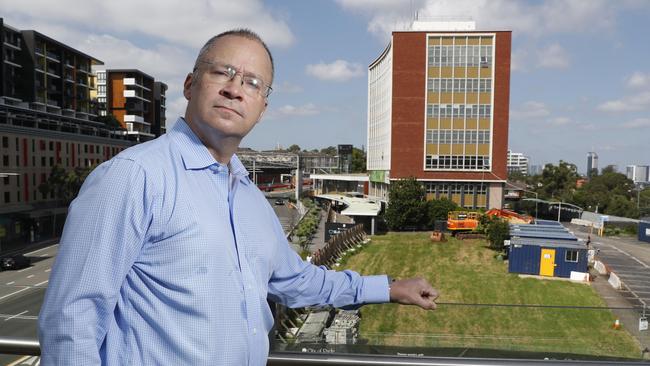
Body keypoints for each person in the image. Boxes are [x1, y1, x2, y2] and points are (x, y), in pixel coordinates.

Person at [38, 29, 439, 365]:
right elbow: (71, 319)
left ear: (262, 107)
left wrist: (387, 288)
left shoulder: (247, 195)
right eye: (222, 73)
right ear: (190, 84)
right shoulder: (133, 177)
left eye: (252, 83)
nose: (235, 90)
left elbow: (295, 281)